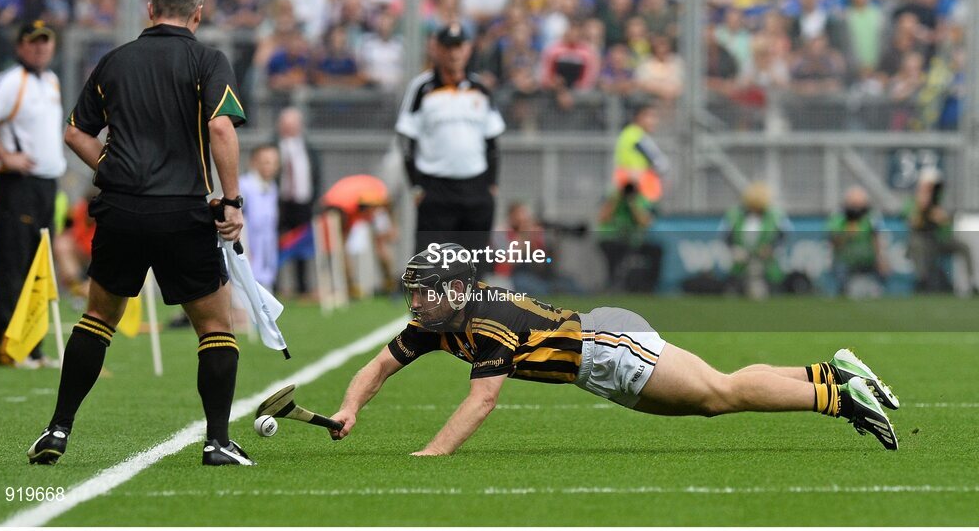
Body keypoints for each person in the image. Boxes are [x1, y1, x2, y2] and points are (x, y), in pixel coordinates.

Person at [328, 243, 901, 455]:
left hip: (607, 348)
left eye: (425, 290)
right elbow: (379, 366)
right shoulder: (437, 322)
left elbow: (481, 402)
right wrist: (353, 406)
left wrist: (433, 455)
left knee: (719, 395)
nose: (417, 300)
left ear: (456, 289)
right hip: (596, 359)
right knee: (715, 392)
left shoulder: (489, 320)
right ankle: (830, 372)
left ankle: (841, 398)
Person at [27, 0, 253, 467]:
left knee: (98, 319)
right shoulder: (207, 59)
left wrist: (114, 165)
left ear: (150, 9)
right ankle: (217, 442)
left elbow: (74, 135)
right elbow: (220, 127)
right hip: (182, 212)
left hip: (122, 211)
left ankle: (58, 429)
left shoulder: (114, 61)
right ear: (198, 11)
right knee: (215, 327)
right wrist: (232, 200)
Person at [0, 20, 66, 368]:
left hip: (45, 185)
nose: (40, 47)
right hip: (19, 185)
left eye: (45, 42)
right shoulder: (12, 81)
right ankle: (10, 346)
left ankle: (34, 347)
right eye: (33, 42)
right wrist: (4, 156)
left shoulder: (50, 81)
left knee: (39, 265)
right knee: (14, 263)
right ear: (21, 46)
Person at [397, 22, 506, 256]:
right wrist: (416, 186)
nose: (454, 54)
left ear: (467, 49)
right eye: (448, 47)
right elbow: (407, 140)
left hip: (475, 186)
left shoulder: (480, 89)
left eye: (458, 47)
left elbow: (492, 142)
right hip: (437, 187)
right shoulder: (422, 88)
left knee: (473, 265)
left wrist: (491, 184)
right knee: (433, 266)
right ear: (437, 50)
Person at [904, 167, 977, 294]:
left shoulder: (941, 201)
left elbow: (947, 225)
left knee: (964, 247)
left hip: (938, 241)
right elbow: (913, 222)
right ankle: (922, 282)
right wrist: (922, 208)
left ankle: (971, 284)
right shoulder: (912, 201)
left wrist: (943, 218)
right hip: (922, 242)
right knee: (918, 246)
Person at [720, 182, 792, 299]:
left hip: (766, 260)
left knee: (770, 282)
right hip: (742, 258)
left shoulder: (775, 215)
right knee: (736, 281)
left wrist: (771, 248)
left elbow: (783, 234)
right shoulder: (734, 214)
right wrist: (734, 249)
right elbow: (726, 234)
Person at [276, 107, 320, 295]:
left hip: (303, 204)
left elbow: (315, 175)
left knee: (302, 245)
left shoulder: (308, 148)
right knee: (277, 244)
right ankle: (274, 286)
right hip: (281, 203)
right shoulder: (274, 146)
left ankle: (302, 287)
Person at [596, 181, 661, 292]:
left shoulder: (639, 200)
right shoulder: (614, 199)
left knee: (656, 250)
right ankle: (612, 284)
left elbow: (644, 222)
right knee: (613, 250)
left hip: (634, 241)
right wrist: (616, 201)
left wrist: (632, 204)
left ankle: (650, 285)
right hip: (613, 239)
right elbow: (603, 217)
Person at [827, 186, 889, 298]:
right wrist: (847, 234)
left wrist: (881, 259)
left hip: (867, 259)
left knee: (883, 269)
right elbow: (833, 242)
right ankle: (843, 292)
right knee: (840, 271)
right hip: (845, 260)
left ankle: (877, 291)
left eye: (860, 205)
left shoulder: (871, 217)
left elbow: (877, 238)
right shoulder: (838, 217)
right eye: (854, 205)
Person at [239, 145, 280, 292]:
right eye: (266, 161)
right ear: (254, 162)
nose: (271, 166)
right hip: (248, 248)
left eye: (274, 162)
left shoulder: (272, 187)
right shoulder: (244, 185)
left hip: (266, 250)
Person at [612, 103, 669, 204]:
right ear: (639, 117)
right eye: (650, 116)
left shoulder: (626, 134)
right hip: (642, 193)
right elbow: (661, 164)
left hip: (628, 191)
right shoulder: (638, 137)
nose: (654, 121)